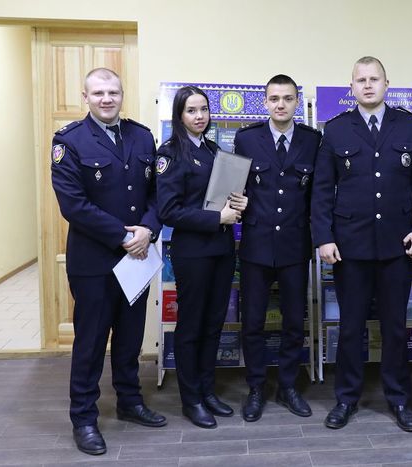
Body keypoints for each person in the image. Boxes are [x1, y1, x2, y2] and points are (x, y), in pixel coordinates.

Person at [311, 56, 412, 431]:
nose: (367, 85)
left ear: (386, 84)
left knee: (395, 327)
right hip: (350, 247)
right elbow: (321, 191)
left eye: (374, 79)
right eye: (360, 80)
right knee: (350, 327)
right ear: (351, 87)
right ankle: (346, 399)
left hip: (398, 246)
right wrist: (324, 237)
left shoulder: (409, 126)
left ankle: (399, 399)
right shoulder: (336, 129)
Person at [51, 68, 166, 456]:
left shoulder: (142, 136)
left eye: (113, 92)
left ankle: (130, 402)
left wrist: (148, 229)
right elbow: (74, 205)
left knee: (130, 337)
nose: (106, 99)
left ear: (121, 95)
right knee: (91, 342)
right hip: (95, 263)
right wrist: (124, 236)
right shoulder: (69, 141)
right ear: (85, 97)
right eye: (98, 93)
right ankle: (84, 418)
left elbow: (156, 194)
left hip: (138, 258)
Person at [156, 86, 248, 429]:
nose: (199, 116)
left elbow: (223, 197)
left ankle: (208, 391)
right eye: (191, 110)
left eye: (204, 110)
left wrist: (238, 203)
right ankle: (191, 399)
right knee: (191, 326)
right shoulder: (170, 153)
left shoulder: (214, 150)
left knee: (213, 324)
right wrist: (215, 218)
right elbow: (168, 211)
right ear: (179, 115)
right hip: (192, 253)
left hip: (221, 250)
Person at [233, 74, 322, 422]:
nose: (280, 105)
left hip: (295, 246)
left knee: (293, 322)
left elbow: (319, 194)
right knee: (253, 322)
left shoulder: (312, 140)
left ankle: (288, 385)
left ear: (297, 102)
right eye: (274, 99)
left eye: (287, 98)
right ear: (265, 102)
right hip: (255, 246)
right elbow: (233, 187)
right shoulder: (246, 139)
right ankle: (256, 387)